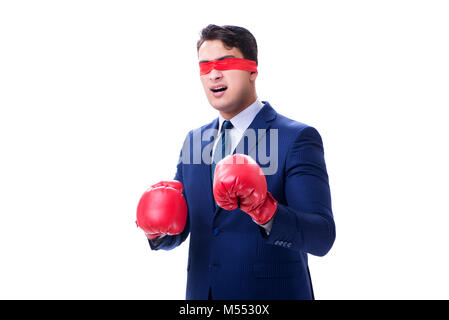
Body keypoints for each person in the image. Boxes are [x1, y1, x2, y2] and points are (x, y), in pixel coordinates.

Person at [136, 24, 336, 300]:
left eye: (225, 63)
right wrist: (157, 230)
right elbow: (184, 227)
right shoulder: (194, 141)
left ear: (252, 70)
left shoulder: (296, 138)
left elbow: (322, 237)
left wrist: (266, 211)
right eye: (205, 67)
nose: (214, 74)